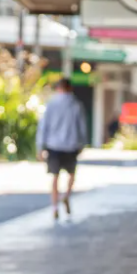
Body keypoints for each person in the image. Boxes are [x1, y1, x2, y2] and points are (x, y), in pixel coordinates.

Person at [36, 78, 88, 220]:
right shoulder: (76, 105)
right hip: (71, 145)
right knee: (71, 174)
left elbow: (43, 126)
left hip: (53, 146)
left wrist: (40, 146)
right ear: (70, 88)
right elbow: (82, 126)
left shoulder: (51, 104)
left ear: (58, 88)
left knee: (55, 176)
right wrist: (82, 143)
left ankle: (54, 207)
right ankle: (66, 196)